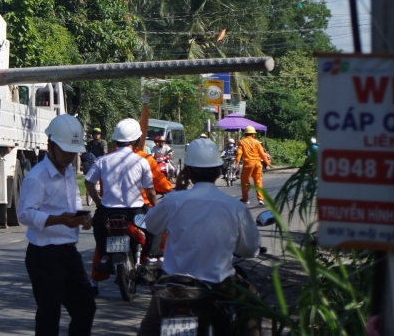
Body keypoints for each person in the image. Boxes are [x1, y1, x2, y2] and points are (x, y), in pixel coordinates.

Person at [137, 138, 261, 336]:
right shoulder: (235, 207)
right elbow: (250, 249)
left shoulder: (174, 200)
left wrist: (176, 191)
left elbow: (151, 224)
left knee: (150, 326)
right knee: (253, 303)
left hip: (172, 285)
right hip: (218, 285)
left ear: (189, 172)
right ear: (220, 170)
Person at [17, 114, 96, 336]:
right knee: (49, 316)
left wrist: (83, 219)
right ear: (50, 145)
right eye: (65, 151)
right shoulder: (37, 177)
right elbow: (25, 215)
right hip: (44, 256)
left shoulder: (69, 171)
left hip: (68, 253)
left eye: (73, 152)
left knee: (85, 308)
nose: (69, 157)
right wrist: (59, 219)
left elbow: (72, 204)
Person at [83, 117, 155, 282]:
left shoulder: (103, 160)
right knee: (153, 228)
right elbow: (150, 191)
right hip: (135, 211)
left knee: (98, 226)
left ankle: (105, 258)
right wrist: (155, 207)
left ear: (115, 140)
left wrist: (98, 202)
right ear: (136, 140)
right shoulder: (141, 161)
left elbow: (88, 181)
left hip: (108, 211)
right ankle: (147, 260)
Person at [236, 126, 271, 205]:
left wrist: (237, 161)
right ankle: (260, 199)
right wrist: (268, 163)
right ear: (253, 134)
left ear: (246, 134)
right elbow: (262, 154)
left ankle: (246, 199)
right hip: (257, 164)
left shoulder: (242, 142)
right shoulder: (257, 142)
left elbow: (239, 153)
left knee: (245, 182)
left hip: (248, 164)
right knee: (258, 182)